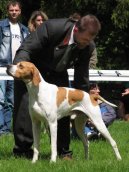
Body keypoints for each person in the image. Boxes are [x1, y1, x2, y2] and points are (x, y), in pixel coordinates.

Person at [12, 14, 101, 159]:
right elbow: (26, 48)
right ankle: (23, 152)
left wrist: (84, 104)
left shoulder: (88, 45)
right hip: (33, 71)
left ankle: (63, 152)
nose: (87, 43)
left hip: (58, 73)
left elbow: (81, 76)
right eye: (85, 40)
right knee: (25, 109)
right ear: (76, 30)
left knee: (63, 111)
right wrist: (19, 69)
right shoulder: (52, 27)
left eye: (90, 41)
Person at [0, 0, 28, 135]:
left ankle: (6, 130)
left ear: (20, 11)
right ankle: (0, 129)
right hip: (1, 67)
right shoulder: (1, 26)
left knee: (11, 101)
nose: (14, 12)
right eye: (11, 10)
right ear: (8, 11)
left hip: (16, 69)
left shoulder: (24, 29)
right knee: (0, 99)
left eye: (16, 10)